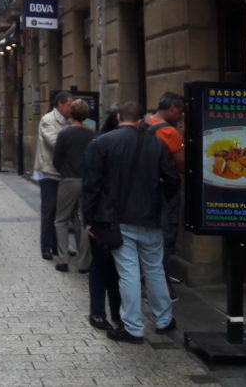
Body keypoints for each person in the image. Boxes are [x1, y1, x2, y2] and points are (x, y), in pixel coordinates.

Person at [82, 101, 179, 344]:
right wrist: (159, 200)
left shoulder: (103, 143)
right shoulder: (156, 144)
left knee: (128, 272)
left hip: (119, 219)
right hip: (152, 218)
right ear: (141, 120)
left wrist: (90, 219)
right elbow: (173, 179)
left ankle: (133, 328)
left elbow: (92, 185)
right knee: (155, 269)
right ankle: (164, 319)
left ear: (117, 117)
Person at [84, 104, 123, 331]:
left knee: (103, 266)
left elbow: (90, 185)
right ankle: (114, 313)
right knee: (114, 268)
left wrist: (89, 218)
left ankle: (99, 313)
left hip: (102, 215)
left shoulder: (98, 144)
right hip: (117, 215)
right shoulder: (102, 145)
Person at [51, 99, 95, 273]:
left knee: (61, 220)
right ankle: (84, 262)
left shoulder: (64, 134)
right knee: (84, 221)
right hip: (86, 181)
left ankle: (63, 260)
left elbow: (56, 160)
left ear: (71, 113)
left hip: (68, 180)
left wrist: (64, 170)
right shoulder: (91, 134)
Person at [146, 92, 185, 268]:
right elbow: (181, 165)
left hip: (143, 189)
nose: (179, 117)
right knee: (167, 233)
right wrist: (181, 135)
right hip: (165, 191)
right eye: (179, 113)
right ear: (172, 108)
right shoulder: (170, 132)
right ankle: (163, 278)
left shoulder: (144, 123)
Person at [33, 91, 73, 260]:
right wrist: (75, 139)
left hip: (64, 172)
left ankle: (60, 246)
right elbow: (55, 142)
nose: (72, 108)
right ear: (61, 105)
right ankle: (47, 246)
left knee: (62, 212)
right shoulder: (48, 120)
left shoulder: (72, 120)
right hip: (49, 170)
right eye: (70, 105)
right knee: (49, 210)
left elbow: (90, 128)